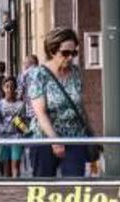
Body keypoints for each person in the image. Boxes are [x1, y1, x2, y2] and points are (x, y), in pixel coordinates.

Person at [27, 27, 89, 177]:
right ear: (52, 51)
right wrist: (55, 140)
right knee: (43, 190)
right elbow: (40, 112)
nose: (70, 57)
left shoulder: (75, 72)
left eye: (74, 53)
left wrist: (88, 132)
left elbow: (80, 106)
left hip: (74, 137)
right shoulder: (38, 74)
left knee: (75, 188)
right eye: (65, 53)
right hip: (45, 138)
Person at [0, 77, 26, 177]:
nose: (9, 89)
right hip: (3, 138)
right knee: (5, 167)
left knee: (15, 165)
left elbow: (24, 126)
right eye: (7, 87)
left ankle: (16, 186)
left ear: (15, 88)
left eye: (12, 87)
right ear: (3, 88)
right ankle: (7, 188)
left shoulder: (21, 105)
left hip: (16, 138)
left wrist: (19, 124)